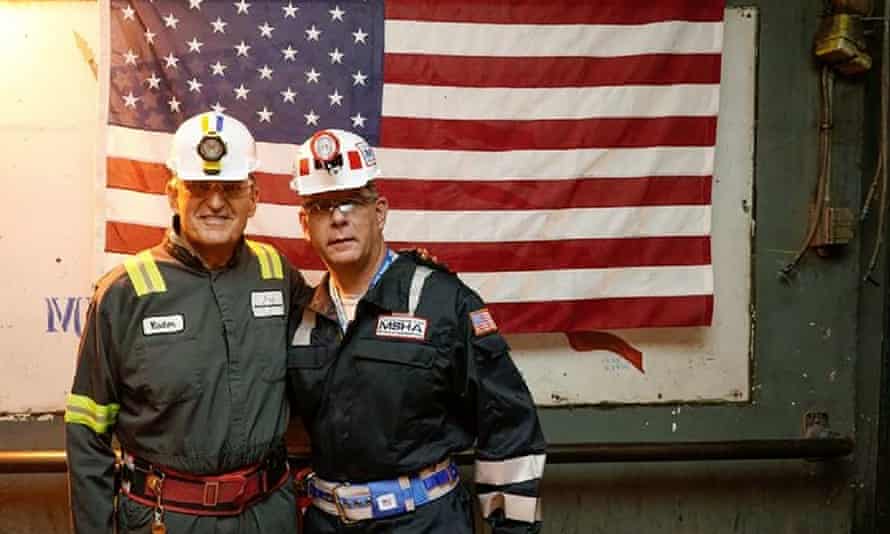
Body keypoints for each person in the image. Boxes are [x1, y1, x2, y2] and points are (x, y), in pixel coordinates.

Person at [286, 129, 547, 534]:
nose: (338, 218)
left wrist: (512, 530)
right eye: (321, 206)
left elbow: (509, 426)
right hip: (325, 524)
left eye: (352, 201)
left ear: (381, 212)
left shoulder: (443, 302)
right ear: (306, 224)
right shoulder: (302, 319)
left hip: (424, 523)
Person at [65, 111, 310, 533]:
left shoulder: (276, 273)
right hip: (169, 520)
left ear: (253, 196)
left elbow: (340, 332)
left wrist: (402, 278)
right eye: (199, 186)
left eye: (231, 187)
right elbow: (87, 429)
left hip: (268, 515)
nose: (216, 202)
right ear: (172, 193)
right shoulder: (124, 293)